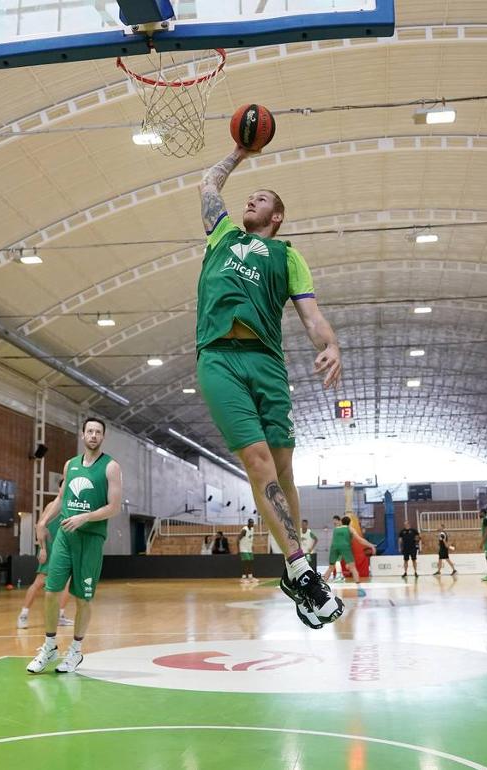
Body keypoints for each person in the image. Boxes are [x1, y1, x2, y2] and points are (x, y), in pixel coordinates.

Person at [196, 144, 344, 630]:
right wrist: (239, 152)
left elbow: (311, 314)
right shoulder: (221, 234)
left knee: (283, 469)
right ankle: (303, 571)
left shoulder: (287, 256)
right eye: (250, 197)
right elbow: (207, 185)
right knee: (257, 460)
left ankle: (293, 565)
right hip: (220, 356)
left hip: (267, 361)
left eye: (261, 199)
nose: (250, 201)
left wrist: (330, 344)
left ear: (277, 216)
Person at [27, 417, 123, 675]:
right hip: (65, 538)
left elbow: (114, 507)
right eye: (89, 431)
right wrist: (44, 520)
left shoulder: (111, 467)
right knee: (50, 591)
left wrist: (85, 517)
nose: (93, 435)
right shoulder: (71, 465)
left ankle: (76, 651)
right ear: (83, 435)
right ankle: (49, 647)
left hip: (90, 539)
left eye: (98, 432)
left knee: (83, 598)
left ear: (103, 436)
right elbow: (61, 498)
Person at [16, 505, 73, 630]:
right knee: (39, 582)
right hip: (50, 549)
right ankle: (23, 615)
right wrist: (42, 549)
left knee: (69, 583)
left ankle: (60, 615)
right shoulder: (53, 506)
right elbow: (40, 527)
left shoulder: (71, 505)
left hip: (64, 550)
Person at [323, 516, 376, 593]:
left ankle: (321, 586)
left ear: (341, 522)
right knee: (353, 568)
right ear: (350, 523)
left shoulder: (336, 529)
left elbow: (334, 540)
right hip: (345, 547)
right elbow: (360, 540)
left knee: (330, 568)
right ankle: (359, 589)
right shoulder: (350, 528)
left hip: (334, 547)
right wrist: (371, 545)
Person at [237, 518, 256, 583]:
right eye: (251, 523)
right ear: (248, 523)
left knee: (250, 562)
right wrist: (238, 550)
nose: (252, 524)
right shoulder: (244, 530)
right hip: (243, 549)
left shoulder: (252, 529)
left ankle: (250, 577)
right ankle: (243, 577)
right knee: (246, 562)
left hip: (249, 549)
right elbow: (238, 539)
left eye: (253, 523)